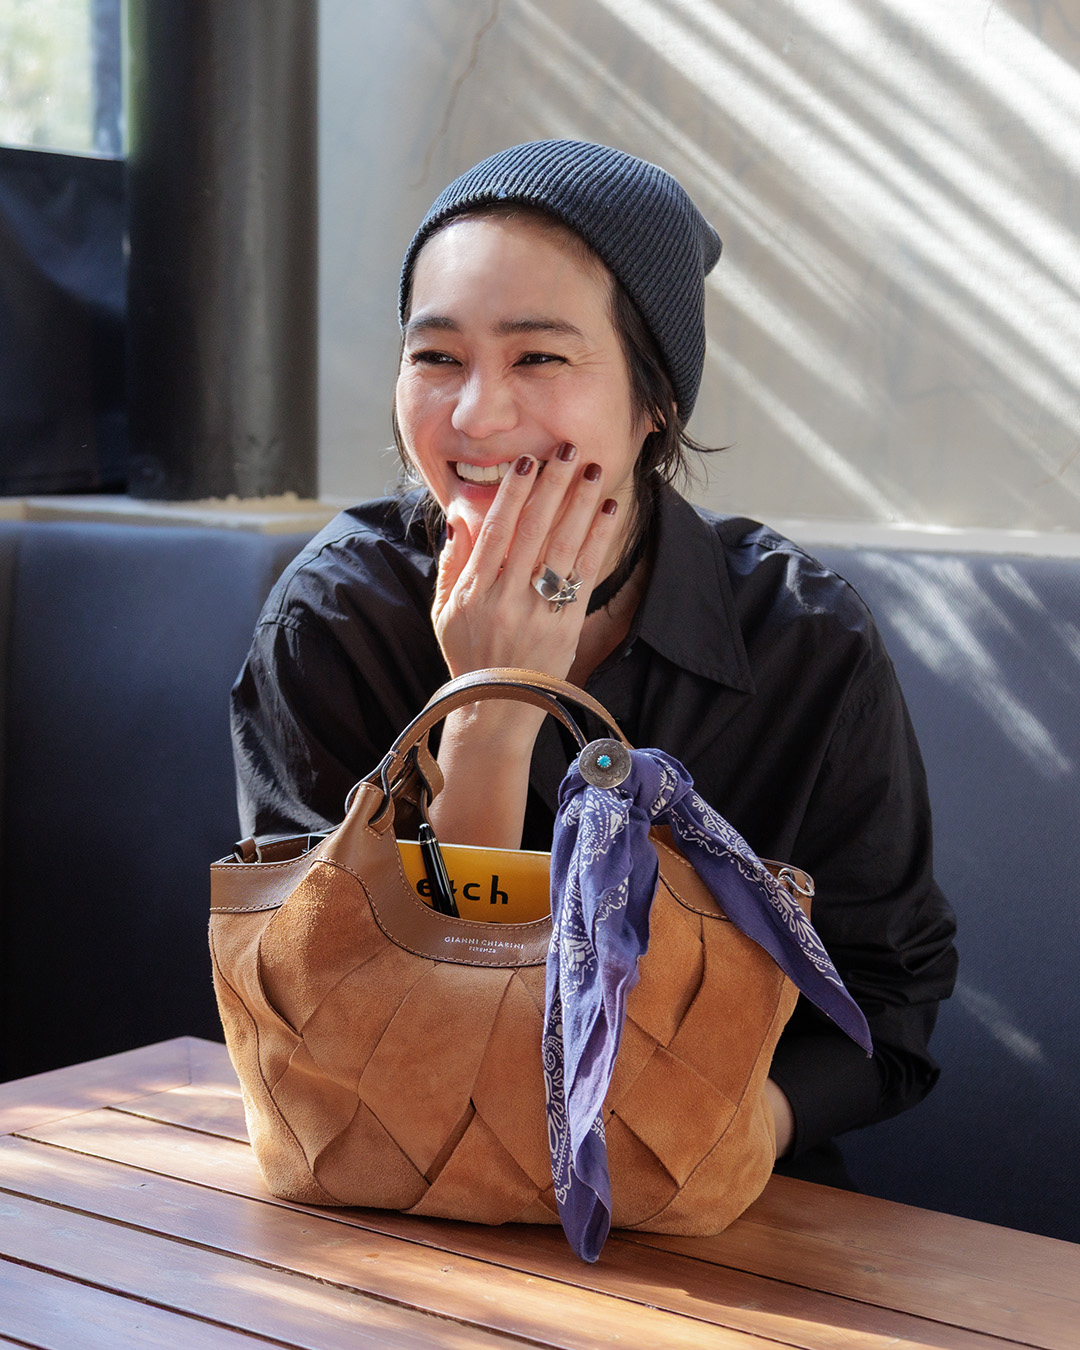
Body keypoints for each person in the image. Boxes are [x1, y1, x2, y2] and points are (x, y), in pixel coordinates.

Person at [231, 139, 958, 1186]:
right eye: (435, 357)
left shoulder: (804, 638)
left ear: (655, 402)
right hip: (396, 1189)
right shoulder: (335, 617)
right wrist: (489, 717)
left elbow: (889, 994)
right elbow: (321, 1012)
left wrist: (730, 1138)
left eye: (538, 357)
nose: (474, 414)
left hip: (715, 1210)